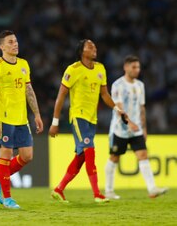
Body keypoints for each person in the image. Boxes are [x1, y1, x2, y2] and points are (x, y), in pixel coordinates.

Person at [49, 39, 127, 203]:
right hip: (78, 116)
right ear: (81, 52)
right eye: (90, 46)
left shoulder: (100, 68)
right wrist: (55, 122)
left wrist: (118, 110)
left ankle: (59, 189)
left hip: (92, 118)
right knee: (90, 150)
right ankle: (97, 193)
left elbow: (104, 95)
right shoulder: (73, 69)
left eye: (94, 46)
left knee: (82, 157)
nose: (94, 48)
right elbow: (61, 95)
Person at [0, 30, 44, 209]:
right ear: (2, 46)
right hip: (4, 120)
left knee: (27, 156)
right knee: (6, 154)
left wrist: (37, 114)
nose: (15, 44)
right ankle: (7, 198)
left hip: (22, 119)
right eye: (10, 42)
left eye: (16, 41)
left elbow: (29, 91)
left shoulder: (24, 64)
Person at [104, 55, 168, 199]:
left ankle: (152, 189)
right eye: (134, 67)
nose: (137, 70)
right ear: (126, 67)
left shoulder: (140, 85)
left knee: (143, 155)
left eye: (138, 67)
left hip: (136, 129)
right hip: (120, 129)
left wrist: (143, 128)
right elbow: (119, 107)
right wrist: (130, 123)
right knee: (114, 157)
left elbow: (142, 108)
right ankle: (108, 190)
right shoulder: (117, 85)